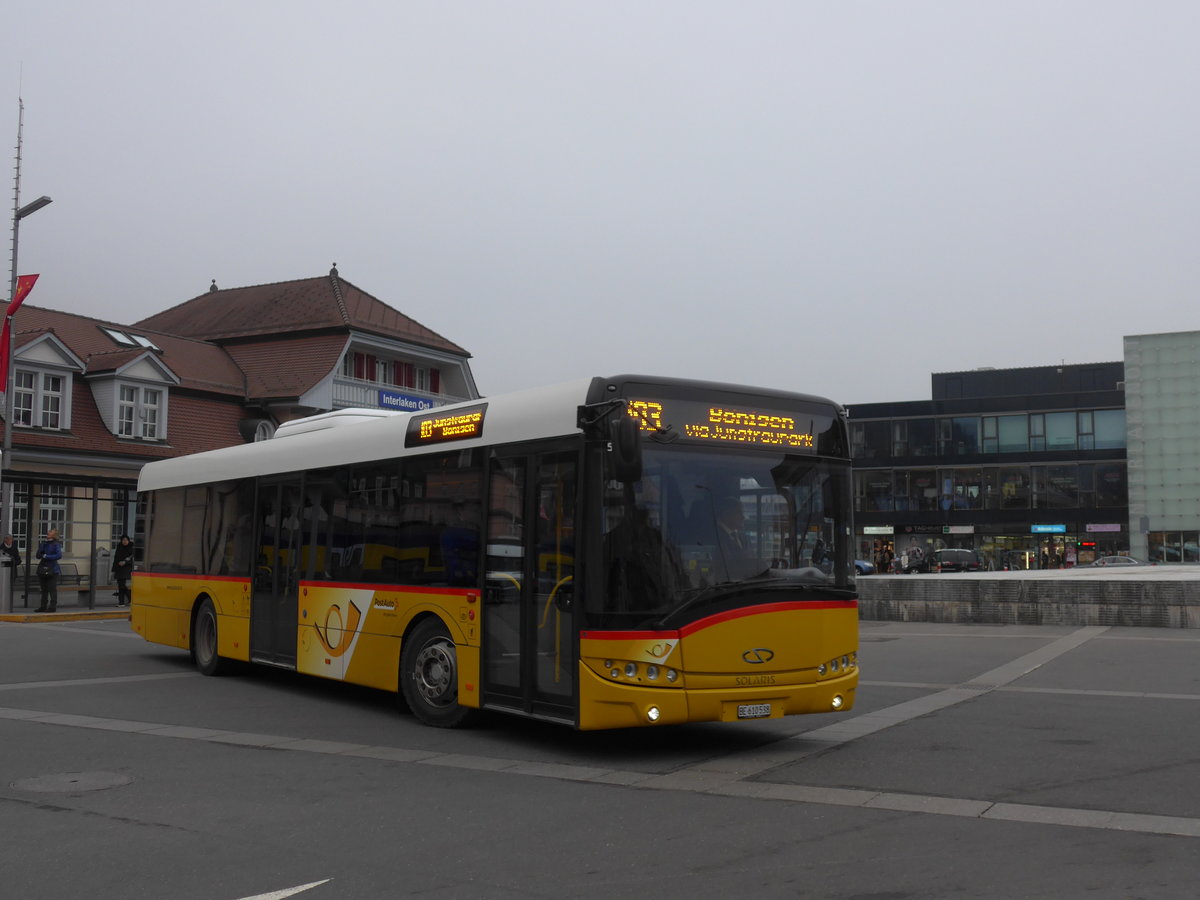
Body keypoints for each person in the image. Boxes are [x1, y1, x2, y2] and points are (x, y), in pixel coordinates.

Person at [35, 528, 63, 613]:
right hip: (43, 568)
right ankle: (43, 606)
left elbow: (58, 555)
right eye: (49, 531)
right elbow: (38, 555)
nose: (48, 532)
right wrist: (41, 550)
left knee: (52, 589)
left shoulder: (56, 544)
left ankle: (52, 607)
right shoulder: (44, 543)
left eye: (51, 532)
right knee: (44, 589)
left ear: (54, 535)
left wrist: (47, 556)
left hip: (53, 569)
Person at [112, 533, 135, 607]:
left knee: (122, 585)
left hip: (126, 568)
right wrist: (114, 569)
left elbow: (132, 558)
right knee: (120, 586)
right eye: (123, 540)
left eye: (126, 540)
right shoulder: (119, 547)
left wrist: (125, 562)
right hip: (119, 568)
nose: (124, 541)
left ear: (128, 540)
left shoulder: (131, 547)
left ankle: (129, 598)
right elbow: (116, 558)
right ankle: (121, 602)